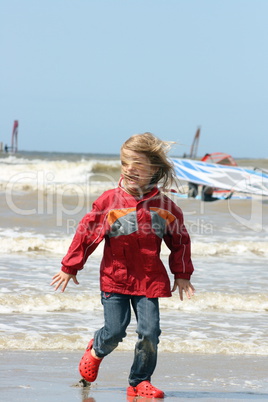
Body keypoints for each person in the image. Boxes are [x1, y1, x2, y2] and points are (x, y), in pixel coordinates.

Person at [50, 132, 195, 399]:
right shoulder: (109, 202)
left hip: (149, 280)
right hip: (115, 279)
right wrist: (70, 267)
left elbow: (180, 241)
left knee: (150, 333)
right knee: (115, 332)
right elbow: (87, 234)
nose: (129, 168)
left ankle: (139, 381)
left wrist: (182, 274)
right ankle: (96, 349)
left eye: (137, 164)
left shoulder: (166, 207)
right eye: (125, 162)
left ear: (155, 169)